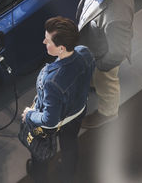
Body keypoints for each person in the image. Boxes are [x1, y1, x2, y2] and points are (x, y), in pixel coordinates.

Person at [22, 16, 93, 183]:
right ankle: (69, 171)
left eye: (47, 41)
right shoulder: (85, 52)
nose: (43, 42)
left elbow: (50, 121)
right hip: (78, 111)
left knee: (40, 152)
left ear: (61, 48)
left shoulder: (52, 82)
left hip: (59, 119)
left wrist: (30, 114)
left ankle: (39, 176)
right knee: (70, 143)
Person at [76, 0, 134, 128]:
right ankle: (93, 81)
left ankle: (108, 113)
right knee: (95, 76)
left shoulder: (116, 18)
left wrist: (101, 66)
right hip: (94, 43)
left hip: (103, 54)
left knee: (106, 82)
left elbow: (117, 52)